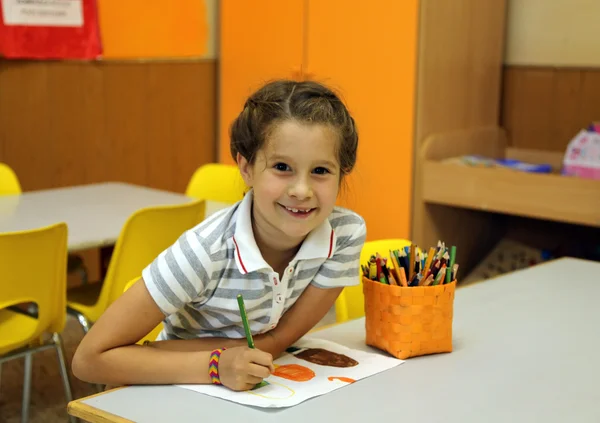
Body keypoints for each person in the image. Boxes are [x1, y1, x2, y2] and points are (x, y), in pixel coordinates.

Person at [72, 79, 367, 392]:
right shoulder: (204, 252)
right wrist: (216, 364)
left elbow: (279, 340)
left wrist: (242, 351)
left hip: (254, 385)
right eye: (282, 167)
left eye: (321, 171)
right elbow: (89, 359)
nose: (301, 190)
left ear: (341, 174)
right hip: (175, 386)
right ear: (246, 167)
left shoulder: (345, 235)